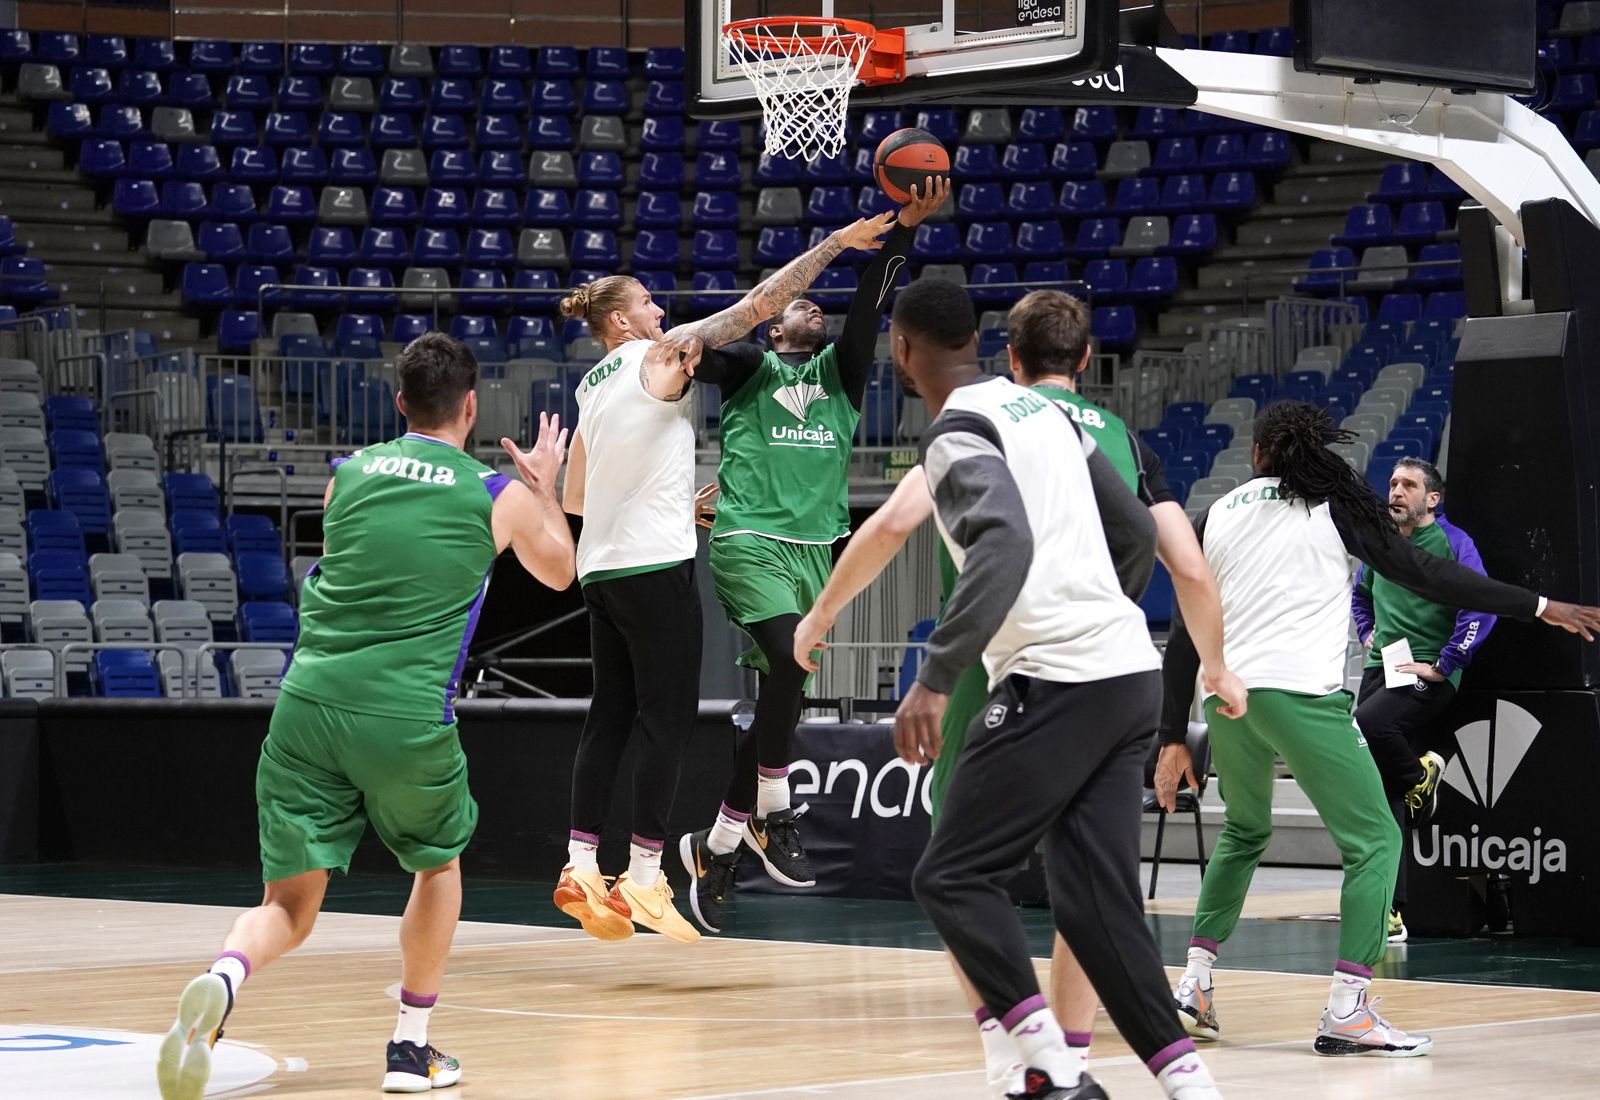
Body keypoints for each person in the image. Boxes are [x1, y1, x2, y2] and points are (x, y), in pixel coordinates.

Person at [795, 287, 1245, 1096]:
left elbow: (999, 541)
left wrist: (933, 678)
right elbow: (1139, 532)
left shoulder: (957, 430)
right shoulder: (1053, 419)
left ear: (901, 351)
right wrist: (1104, 607)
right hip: (1129, 674)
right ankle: (1187, 1086)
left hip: (1053, 676)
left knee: (951, 876)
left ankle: (1043, 1064)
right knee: (1097, 905)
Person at [157, 334, 576, 1099]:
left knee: (286, 906)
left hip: (306, 706)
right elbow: (560, 573)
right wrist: (543, 486)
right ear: (472, 406)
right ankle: (410, 1048)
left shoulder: (345, 474)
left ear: (400, 403)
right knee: (436, 865)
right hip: (404, 716)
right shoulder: (495, 494)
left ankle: (224, 977)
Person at [1157, 401, 1600, 1058]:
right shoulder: (1333, 505)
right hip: (1298, 695)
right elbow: (1426, 572)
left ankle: (1194, 985)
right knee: (1374, 840)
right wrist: (1537, 605)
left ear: (1256, 455)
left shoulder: (1217, 512)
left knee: (1245, 833)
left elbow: (1184, 631)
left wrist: (1172, 736)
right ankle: (1348, 1008)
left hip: (1227, 700)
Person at [550, 217, 896, 943]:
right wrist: (837, 244)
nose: (660, 312)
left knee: (609, 716)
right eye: (648, 304)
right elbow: (758, 306)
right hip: (654, 564)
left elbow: (576, 497)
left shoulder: (591, 385)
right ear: (622, 322)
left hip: (600, 569)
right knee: (666, 722)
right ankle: (645, 877)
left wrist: (675, 501)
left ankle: (581, 864)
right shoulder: (660, 354)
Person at [667, 178, 949, 934]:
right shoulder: (749, 370)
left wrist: (904, 229)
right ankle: (776, 808)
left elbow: (873, 299)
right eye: (799, 305)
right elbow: (697, 350)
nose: (813, 308)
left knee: (778, 702)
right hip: (747, 541)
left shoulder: (841, 377)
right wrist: (710, 335)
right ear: (773, 327)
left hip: (814, 556)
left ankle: (717, 847)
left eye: (815, 306)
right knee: (790, 666)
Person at [1351, 456, 1493, 944]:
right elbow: (1360, 596)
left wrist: (1447, 661)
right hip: (1381, 670)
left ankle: (1420, 776)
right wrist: (1367, 632)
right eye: (1393, 483)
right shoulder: (1381, 544)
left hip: (1425, 674)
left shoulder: (1454, 543)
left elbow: (1481, 604)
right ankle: (1391, 909)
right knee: (1378, 790)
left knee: (1366, 726)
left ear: (1431, 499)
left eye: (1408, 485)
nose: (1396, 491)